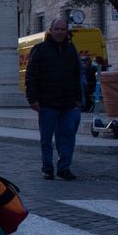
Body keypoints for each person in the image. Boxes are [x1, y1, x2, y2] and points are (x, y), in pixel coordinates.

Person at [25, 17, 85, 181]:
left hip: (68, 102)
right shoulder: (39, 49)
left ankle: (64, 167)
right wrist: (33, 99)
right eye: (56, 29)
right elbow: (31, 76)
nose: (59, 32)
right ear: (51, 31)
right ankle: (47, 168)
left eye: (63, 29)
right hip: (47, 103)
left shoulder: (71, 50)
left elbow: (76, 75)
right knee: (46, 138)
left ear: (67, 32)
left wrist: (78, 99)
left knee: (68, 136)